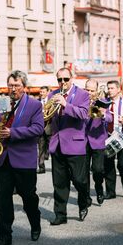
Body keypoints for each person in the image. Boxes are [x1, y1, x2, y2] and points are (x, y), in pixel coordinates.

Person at [0, 70, 43, 245]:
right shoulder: (2, 102)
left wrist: (13, 133)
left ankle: (35, 222)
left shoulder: (34, 105)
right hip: (3, 158)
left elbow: (38, 129)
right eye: (10, 85)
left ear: (24, 87)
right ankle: (4, 235)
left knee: (28, 197)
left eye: (16, 85)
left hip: (24, 159)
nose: (13, 89)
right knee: (3, 198)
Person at [48, 67, 90, 225]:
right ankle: (60, 215)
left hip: (75, 144)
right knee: (59, 182)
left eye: (65, 79)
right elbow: (49, 116)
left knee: (79, 180)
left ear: (72, 79)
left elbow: (83, 114)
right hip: (57, 144)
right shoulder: (53, 95)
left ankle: (84, 202)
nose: (62, 82)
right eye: (59, 79)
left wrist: (66, 104)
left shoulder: (82, 94)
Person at [84, 79, 111, 206]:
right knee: (83, 172)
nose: (89, 92)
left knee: (98, 170)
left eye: (92, 90)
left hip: (98, 141)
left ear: (96, 90)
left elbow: (110, 117)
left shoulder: (103, 102)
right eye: (87, 90)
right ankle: (86, 197)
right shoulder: (81, 102)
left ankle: (99, 187)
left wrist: (104, 115)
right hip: (83, 142)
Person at [37, 86, 50, 174]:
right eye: (41, 92)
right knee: (41, 148)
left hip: (50, 128)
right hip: (41, 128)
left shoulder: (52, 102)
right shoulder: (37, 102)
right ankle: (41, 167)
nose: (42, 93)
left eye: (43, 92)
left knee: (52, 147)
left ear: (48, 92)